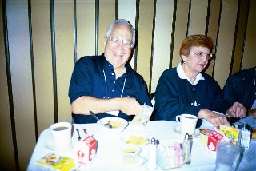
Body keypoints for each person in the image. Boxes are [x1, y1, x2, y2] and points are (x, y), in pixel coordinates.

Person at [69, 19, 151, 124]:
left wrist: (141, 117)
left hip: (122, 138)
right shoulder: (86, 65)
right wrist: (120, 103)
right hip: (87, 137)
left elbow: (146, 114)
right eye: (115, 40)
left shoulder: (137, 81)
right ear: (106, 41)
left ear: (132, 48)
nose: (120, 47)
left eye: (126, 42)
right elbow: (77, 106)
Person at [153, 34, 228, 127]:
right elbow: (164, 110)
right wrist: (199, 112)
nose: (205, 60)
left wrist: (229, 110)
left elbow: (220, 105)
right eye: (199, 54)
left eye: (208, 55)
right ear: (184, 56)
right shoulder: (169, 77)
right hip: (169, 132)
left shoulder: (209, 81)